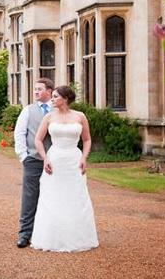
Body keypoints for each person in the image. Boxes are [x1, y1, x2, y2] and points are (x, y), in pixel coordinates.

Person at [31, 85, 99, 252]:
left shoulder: (80, 116)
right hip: (54, 160)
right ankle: (51, 238)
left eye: (55, 96)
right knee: (52, 197)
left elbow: (87, 140)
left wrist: (84, 157)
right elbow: (38, 140)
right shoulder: (48, 117)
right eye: (52, 96)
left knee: (76, 197)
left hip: (74, 161)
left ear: (66, 98)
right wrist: (45, 157)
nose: (52, 99)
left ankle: (77, 237)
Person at [14, 77, 54, 248]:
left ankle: (52, 233)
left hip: (55, 162)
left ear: (49, 91)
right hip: (33, 160)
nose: (36, 92)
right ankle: (25, 234)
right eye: (35, 89)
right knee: (30, 198)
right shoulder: (28, 111)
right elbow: (19, 134)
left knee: (54, 197)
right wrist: (24, 156)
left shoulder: (58, 110)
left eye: (39, 89)